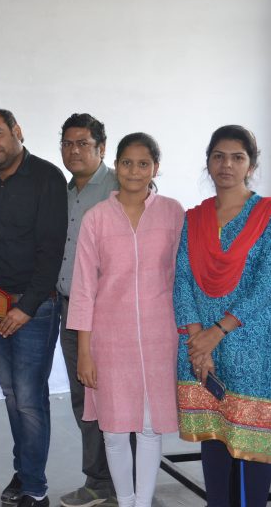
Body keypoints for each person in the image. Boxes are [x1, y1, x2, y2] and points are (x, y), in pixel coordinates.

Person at [68, 133, 184, 507]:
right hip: (109, 340)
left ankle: (142, 503)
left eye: (143, 163)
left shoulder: (172, 213)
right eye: (127, 163)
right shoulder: (96, 218)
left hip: (159, 336)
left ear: (156, 168)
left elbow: (182, 277)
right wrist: (84, 352)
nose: (135, 171)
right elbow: (83, 289)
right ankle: (126, 499)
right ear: (116, 166)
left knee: (150, 427)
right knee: (115, 430)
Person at [0, 108, 67, 507]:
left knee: (29, 398)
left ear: (17, 131)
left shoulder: (47, 178)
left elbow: (52, 251)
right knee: (12, 395)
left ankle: (36, 489)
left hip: (35, 308)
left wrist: (26, 307)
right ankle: (24, 471)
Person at [174, 125, 271, 506]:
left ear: (251, 165)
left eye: (237, 157)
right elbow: (182, 279)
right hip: (201, 349)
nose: (226, 164)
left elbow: (266, 285)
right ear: (208, 163)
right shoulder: (194, 219)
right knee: (213, 438)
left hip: (251, 347)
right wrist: (198, 341)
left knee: (250, 443)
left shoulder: (266, 215)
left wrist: (216, 331)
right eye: (219, 156)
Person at [55, 114, 118, 507]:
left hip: (109, 315)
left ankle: (125, 480)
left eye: (82, 143)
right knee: (84, 398)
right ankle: (99, 480)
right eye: (67, 143)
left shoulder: (118, 188)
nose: (73, 150)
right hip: (69, 309)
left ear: (101, 148)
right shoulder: (63, 192)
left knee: (116, 398)